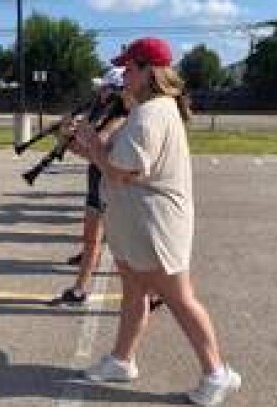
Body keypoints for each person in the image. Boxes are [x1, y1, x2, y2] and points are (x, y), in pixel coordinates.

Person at [72, 37, 241, 406]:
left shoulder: (152, 113)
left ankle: (216, 373)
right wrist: (85, 146)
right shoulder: (149, 110)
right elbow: (117, 162)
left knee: (180, 298)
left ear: (150, 72)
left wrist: (94, 147)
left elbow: (121, 170)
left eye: (130, 68)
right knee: (133, 292)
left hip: (156, 227)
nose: (124, 75)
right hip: (138, 225)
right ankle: (121, 359)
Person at [50, 67, 127, 306]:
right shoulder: (101, 114)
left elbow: (98, 153)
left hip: (113, 187)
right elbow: (89, 150)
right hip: (96, 182)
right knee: (91, 241)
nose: (99, 92)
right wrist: (66, 135)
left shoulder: (122, 118)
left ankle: (155, 293)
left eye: (104, 88)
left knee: (126, 249)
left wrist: (72, 140)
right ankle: (79, 289)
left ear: (115, 91)